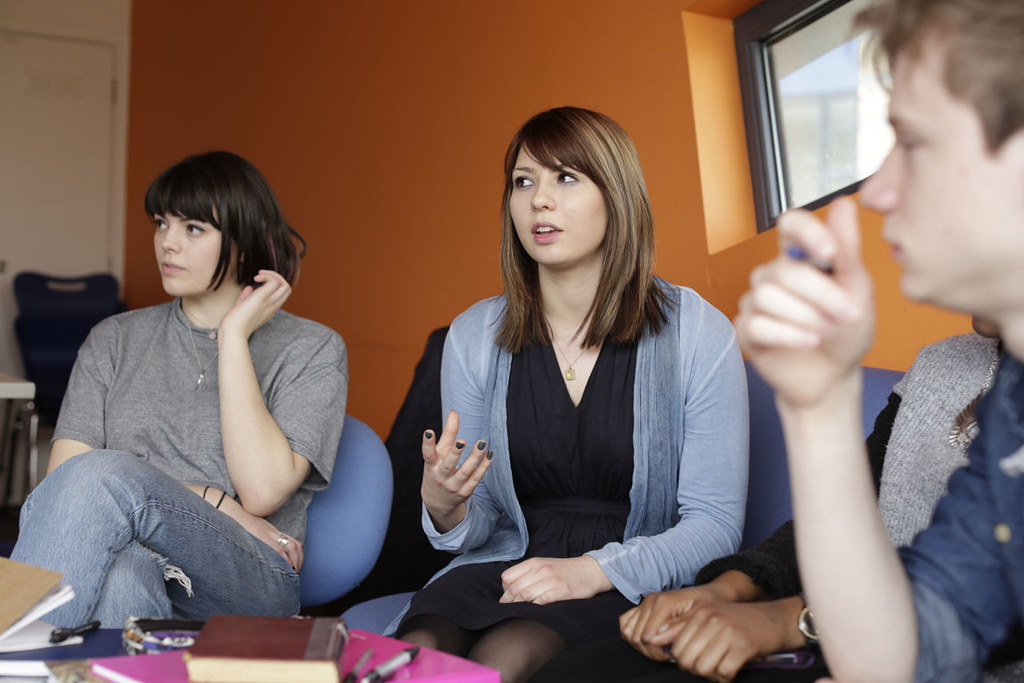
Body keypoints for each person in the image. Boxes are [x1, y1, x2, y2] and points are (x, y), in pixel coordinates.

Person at [388, 106, 749, 682]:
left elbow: (714, 526)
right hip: (507, 563)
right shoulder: (475, 336)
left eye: (566, 178)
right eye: (523, 182)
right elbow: (479, 525)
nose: (539, 201)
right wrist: (445, 504)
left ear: (617, 196)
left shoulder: (697, 331)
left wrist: (588, 572)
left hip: (632, 576)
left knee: (507, 657)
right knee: (419, 650)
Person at [733, 0, 1024, 679]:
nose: (877, 191)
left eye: (914, 142)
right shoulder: (1009, 404)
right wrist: (819, 405)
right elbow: (909, 651)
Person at [532, 325, 1024, 683]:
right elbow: (845, 516)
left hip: (936, 655)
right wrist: (730, 590)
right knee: (569, 674)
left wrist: (795, 622)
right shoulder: (940, 363)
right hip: (836, 626)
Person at [11, 151, 348, 628]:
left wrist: (233, 338)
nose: (167, 243)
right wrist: (215, 499)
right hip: (128, 553)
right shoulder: (114, 338)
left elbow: (263, 491)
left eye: (192, 229)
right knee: (126, 576)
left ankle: (12, 649)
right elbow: (66, 482)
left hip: (249, 573)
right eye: (161, 223)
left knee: (107, 476)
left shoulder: (312, 348)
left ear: (244, 240)